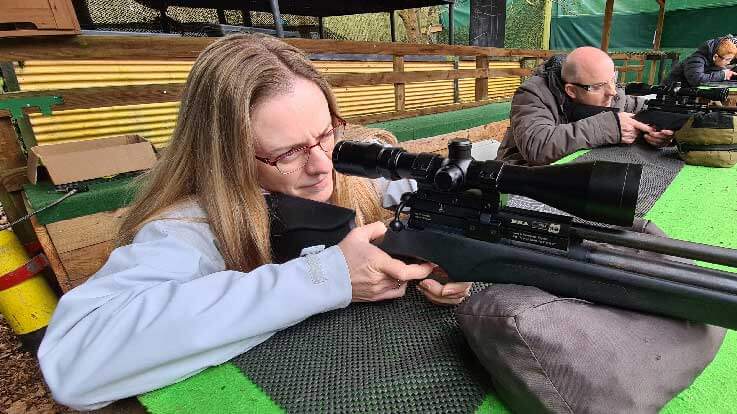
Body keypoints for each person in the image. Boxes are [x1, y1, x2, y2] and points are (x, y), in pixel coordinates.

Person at [37, 34, 472, 411]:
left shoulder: (347, 163)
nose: (322, 166)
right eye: (287, 153)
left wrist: (448, 250)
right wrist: (324, 277)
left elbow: (414, 198)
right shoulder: (191, 225)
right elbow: (75, 361)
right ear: (226, 157)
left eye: (325, 134)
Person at [497, 46, 674, 166]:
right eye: (598, 87)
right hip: (519, 177)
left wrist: (660, 131)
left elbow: (644, 108)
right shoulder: (533, 93)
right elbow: (536, 145)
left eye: (613, 79)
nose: (612, 92)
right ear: (571, 90)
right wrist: (608, 127)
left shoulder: (608, 91)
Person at [666, 35, 737, 87]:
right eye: (727, 59)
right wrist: (723, 75)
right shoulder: (697, 59)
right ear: (715, 57)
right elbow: (696, 79)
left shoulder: (714, 61)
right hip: (669, 94)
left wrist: (728, 74)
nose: (729, 63)